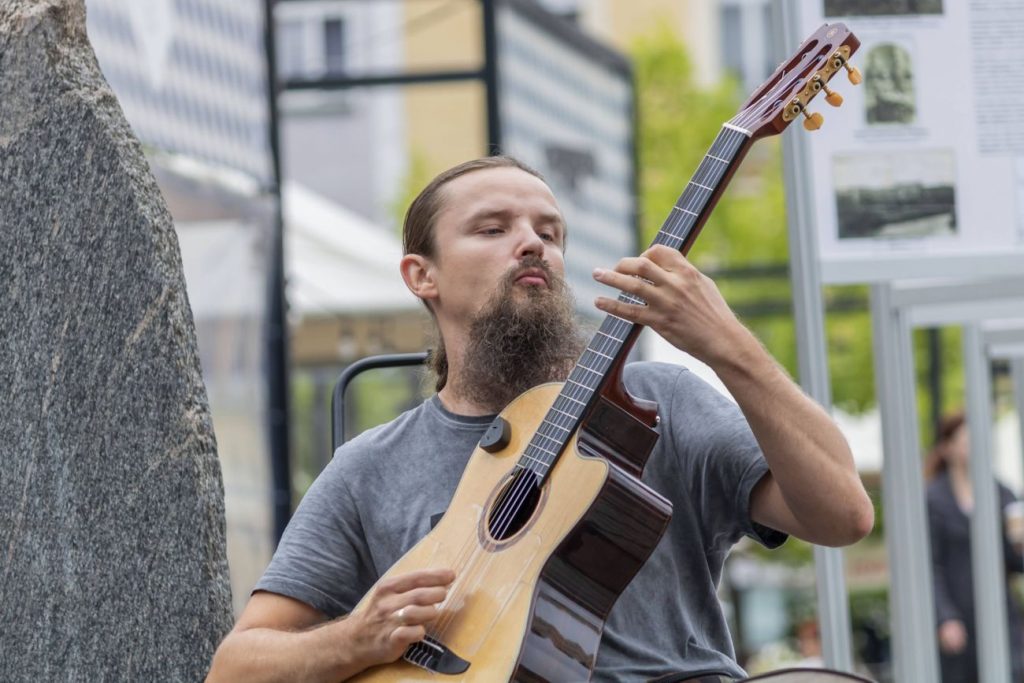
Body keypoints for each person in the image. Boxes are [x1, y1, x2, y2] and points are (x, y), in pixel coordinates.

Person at [206, 156, 874, 682]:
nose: (532, 244)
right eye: (493, 229)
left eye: (549, 231)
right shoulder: (370, 467)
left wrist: (729, 345)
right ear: (421, 275)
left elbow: (842, 515)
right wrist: (353, 638)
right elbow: (235, 667)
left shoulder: (658, 402)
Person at [925, 412, 1024, 683]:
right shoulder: (933, 499)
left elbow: (1017, 562)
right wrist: (944, 618)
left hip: (1001, 615)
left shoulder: (1002, 493)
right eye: (966, 440)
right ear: (947, 448)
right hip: (958, 619)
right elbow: (930, 566)